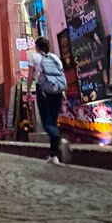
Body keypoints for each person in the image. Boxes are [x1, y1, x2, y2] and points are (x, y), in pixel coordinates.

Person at [32, 36, 71, 164]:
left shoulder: (35, 57)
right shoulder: (55, 57)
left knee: (47, 123)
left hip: (43, 91)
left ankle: (59, 139)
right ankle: (53, 155)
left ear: (37, 47)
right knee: (53, 121)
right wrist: (63, 92)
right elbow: (60, 74)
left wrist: (27, 92)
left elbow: (30, 76)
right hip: (57, 91)